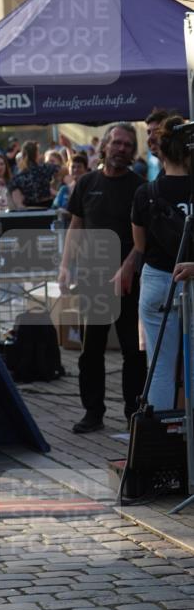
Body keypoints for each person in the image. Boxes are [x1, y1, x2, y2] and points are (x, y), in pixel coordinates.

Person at [58, 123, 147, 433]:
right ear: (105, 147)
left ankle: (133, 413)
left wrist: (129, 265)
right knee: (91, 351)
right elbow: (76, 226)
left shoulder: (140, 187)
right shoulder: (86, 184)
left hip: (128, 281)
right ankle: (92, 412)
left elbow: (144, 239)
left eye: (127, 145)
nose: (122, 149)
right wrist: (65, 264)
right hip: (93, 281)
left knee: (132, 353)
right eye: (117, 143)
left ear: (133, 152)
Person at [131, 115, 191, 409]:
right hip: (191, 278)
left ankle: (164, 442)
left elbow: (139, 245)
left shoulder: (145, 193)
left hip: (158, 281)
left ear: (161, 152)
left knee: (159, 367)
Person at [9, 141, 59, 209]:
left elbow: (18, 203)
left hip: (29, 212)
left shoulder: (17, 177)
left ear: (23, 155)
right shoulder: (46, 168)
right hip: (47, 209)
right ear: (36, 154)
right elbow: (64, 169)